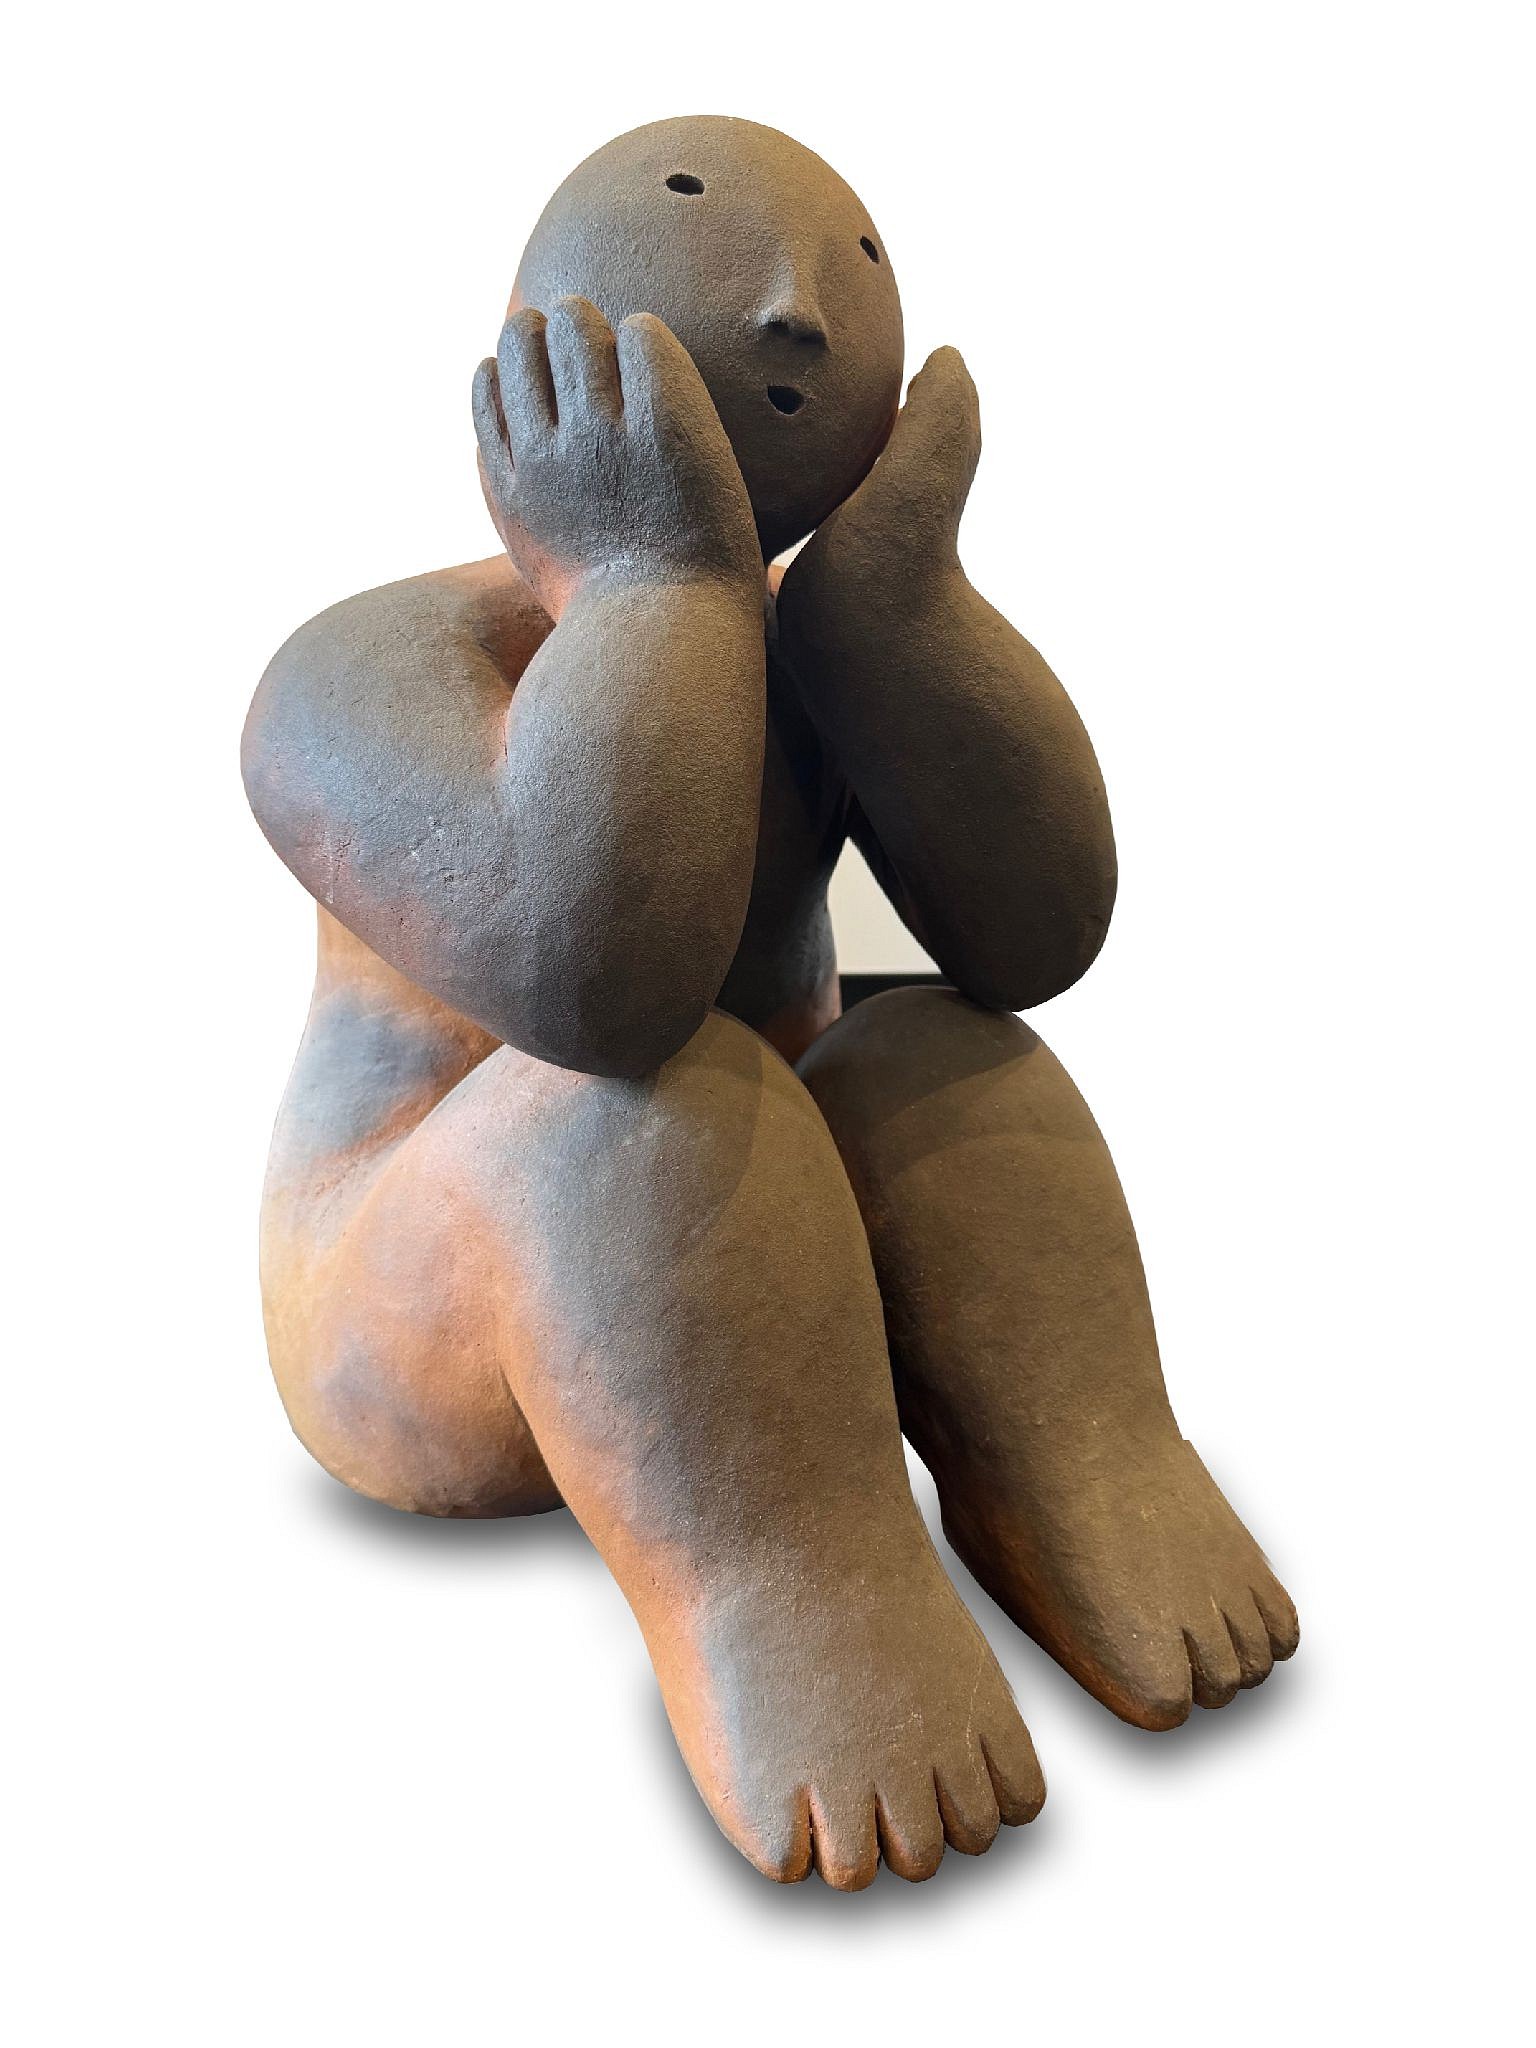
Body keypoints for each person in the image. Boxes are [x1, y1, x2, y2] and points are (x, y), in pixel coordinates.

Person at [241, 114, 1296, 1889]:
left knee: (954, 1058)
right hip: (426, 1285)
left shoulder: (821, 649)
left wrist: (903, 625)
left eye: (852, 271)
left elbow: (1032, 939)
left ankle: (1088, 1464)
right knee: (643, 1113)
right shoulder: (359, 674)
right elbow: (597, 981)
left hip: (768, 1276)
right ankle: (795, 1577)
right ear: (538, 357)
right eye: (712, 240)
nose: (801, 308)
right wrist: (645, 583)